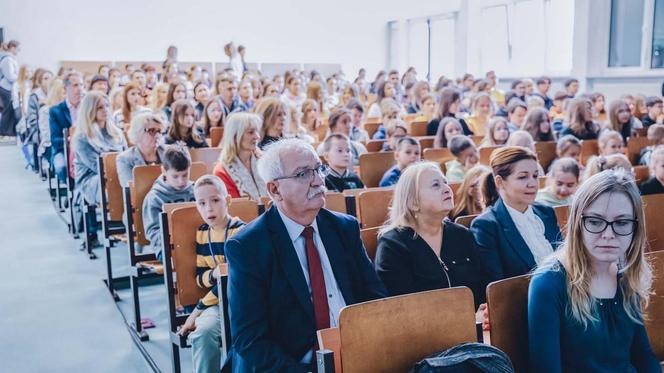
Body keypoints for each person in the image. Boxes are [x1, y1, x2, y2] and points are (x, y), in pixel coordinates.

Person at [224, 138, 387, 371]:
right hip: (289, 365)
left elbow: (375, 298)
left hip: (353, 357)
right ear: (274, 189)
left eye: (318, 170)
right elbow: (250, 340)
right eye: (303, 174)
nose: (319, 181)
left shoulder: (343, 228)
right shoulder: (248, 246)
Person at [528, 169, 660, 372]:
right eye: (595, 221)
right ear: (578, 224)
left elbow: (643, 357)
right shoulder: (549, 282)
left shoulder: (624, 274)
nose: (608, 234)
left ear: (636, 228)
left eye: (622, 222)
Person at [375, 161, 487, 308]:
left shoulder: (461, 235)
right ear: (413, 202)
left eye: (445, 182)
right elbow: (401, 307)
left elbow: (481, 287)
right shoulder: (393, 245)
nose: (447, 189)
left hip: (474, 325)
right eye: (436, 185)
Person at [176, 175, 245, 373]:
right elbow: (201, 278)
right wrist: (215, 274)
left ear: (228, 200)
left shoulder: (241, 232)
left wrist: (197, 311)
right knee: (202, 334)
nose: (209, 209)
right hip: (217, 304)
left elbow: (232, 282)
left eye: (215, 200)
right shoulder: (202, 233)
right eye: (202, 203)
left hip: (244, 303)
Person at [471, 146, 561, 283]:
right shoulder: (486, 226)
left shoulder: (546, 212)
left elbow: (564, 259)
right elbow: (498, 286)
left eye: (535, 176)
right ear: (500, 182)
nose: (532, 183)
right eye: (523, 177)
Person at [72, 91, 127, 207]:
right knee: (115, 185)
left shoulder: (117, 133)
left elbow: (127, 157)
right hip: (93, 180)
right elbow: (96, 167)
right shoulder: (82, 138)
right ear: (90, 110)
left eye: (107, 106)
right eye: (100, 107)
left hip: (117, 176)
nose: (105, 110)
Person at [142, 145, 196, 260]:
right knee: (184, 259)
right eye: (175, 176)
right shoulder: (155, 197)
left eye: (185, 175)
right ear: (164, 171)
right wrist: (174, 239)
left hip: (198, 243)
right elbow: (152, 232)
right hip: (167, 248)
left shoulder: (196, 190)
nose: (181, 181)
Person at [213, 112, 267, 200]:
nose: (257, 137)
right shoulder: (222, 172)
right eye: (250, 132)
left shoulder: (264, 161)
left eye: (257, 131)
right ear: (235, 136)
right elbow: (237, 207)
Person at [50, 71, 83, 181]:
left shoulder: (87, 108)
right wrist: (70, 139)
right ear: (65, 89)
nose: (80, 88)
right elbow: (55, 140)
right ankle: (72, 192)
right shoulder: (56, 111)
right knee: (61, 166)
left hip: (85, 149)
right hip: (65, 149)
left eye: (81, 85)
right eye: (75, 85)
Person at [116, 112, 165, 187]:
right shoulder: (125, 159)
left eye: (159, 131)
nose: (157, 135)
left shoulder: (169, 153)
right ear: (138, 133)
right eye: (152, 131)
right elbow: (130, 190)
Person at [0, 40, 19, 137]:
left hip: (9, 88)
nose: (18, 51)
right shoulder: (7, 59)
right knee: (7, 111)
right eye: (17, 49)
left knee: (10, 110)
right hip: (6, 88)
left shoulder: (11, 59)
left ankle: (9, 132)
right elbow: (10, 76)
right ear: (12, 47)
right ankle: (4, 131)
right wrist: (20, 77)